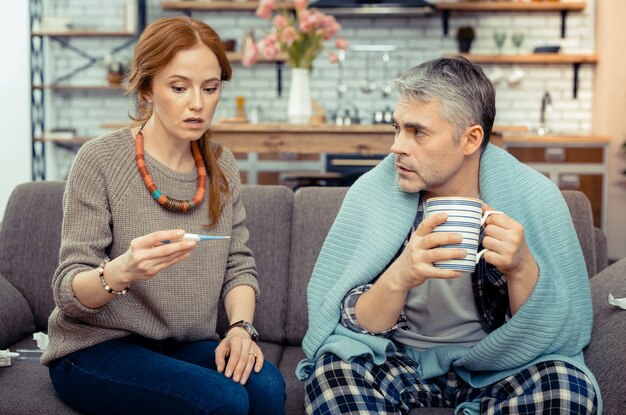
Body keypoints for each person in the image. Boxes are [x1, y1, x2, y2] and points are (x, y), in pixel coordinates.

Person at [298, 56, 601, 414]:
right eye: (396, 129)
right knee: (331, 373)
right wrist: (400, 275)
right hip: (398, 361)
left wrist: (521, 269)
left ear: (470, 139)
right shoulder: (373, 193)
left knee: (569, 389)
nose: (397, 146)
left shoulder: (534, 197)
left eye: (418, 132)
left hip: (495, 366)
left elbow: (550, 333)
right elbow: (354, 323)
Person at [42, 16, 285, 415]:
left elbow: (239, 266)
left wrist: (241, 328)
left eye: (210, 89)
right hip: (95, 347)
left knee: (267, 388)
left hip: (182, 345)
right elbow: (69, 292)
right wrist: (124, 270)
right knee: (221, 399)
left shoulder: (221, 165)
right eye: (179, 87)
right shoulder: (100, 160)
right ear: (147, 88)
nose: (197, 103)